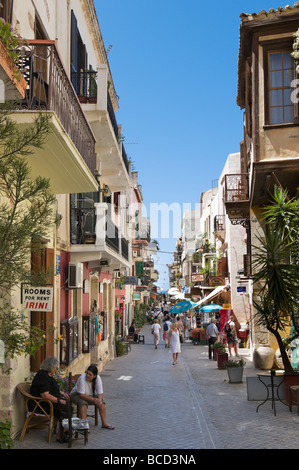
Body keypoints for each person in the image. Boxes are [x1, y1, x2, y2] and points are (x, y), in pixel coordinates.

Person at [29, 356, 69, 441]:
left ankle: (63, 431)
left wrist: (61, 393)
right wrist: (59, 400)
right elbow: (45, 395)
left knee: (67, 406)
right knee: (65, 408)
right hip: (41, 404)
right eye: (55, 367)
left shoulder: (47, 375)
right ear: (52, 367)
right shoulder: (42, 376)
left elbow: (51, 388)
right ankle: (61, 434)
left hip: (48, 402)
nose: (56, 369)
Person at [70, 364, 114, 430]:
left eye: (90, 375)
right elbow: (81, 394)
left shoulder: (98, 378)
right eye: (87, 373)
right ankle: (84, 426)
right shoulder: (82, 378)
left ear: (94, 376)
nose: (87, 375)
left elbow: (100, 392)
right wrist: (93, 400)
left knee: (102, 403)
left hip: (89, 395)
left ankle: (104, 423)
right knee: (83, 403)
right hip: (76, 394)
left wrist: (99, 400)